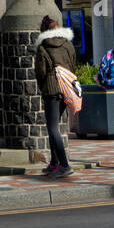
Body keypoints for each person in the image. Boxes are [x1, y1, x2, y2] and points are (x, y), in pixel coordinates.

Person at [34, 15, 77, 178]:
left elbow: (41, 71)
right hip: (66, 87)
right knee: (56, 126)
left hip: (51, 89)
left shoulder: (43, 47)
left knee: (52, 128)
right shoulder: (68, 44)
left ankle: (64, 164)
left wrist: (43, 86)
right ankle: (54, 163)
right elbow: (73, 65)